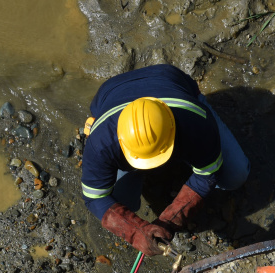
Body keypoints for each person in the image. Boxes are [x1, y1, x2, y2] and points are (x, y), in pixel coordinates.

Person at [81, 64, 249, 256]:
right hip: (110, 92)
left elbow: (208, 175)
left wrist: (171, 219)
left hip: (168, 78)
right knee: (120, 200)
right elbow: (95, 197)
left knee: (235, 175)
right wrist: (135, 231)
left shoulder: (196, 121)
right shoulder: (100, 142)